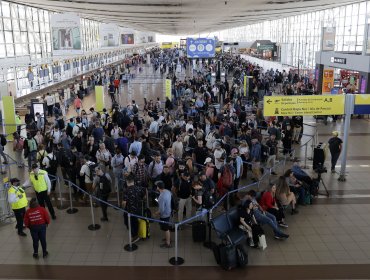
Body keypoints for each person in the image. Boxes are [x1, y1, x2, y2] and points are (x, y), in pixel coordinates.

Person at [123, 174, 145, 243]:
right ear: (133, 181)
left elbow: (124, 203)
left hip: (129, 211)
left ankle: (135, 236)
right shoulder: (139, 188)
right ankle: (137, 234)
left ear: (127, 182)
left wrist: (123, 208)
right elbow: (144, 197)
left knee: (129, 223)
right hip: (138, 209)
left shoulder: (126, 191)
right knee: (135, 222)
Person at [155, 181, 172, 248]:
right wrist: (158, 199)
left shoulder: (161, 196)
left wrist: (156, 213)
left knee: (166, 228)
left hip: (164, 214)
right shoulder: (167, 191)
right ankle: (168, 238)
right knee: (166, 227)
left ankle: (168, 243)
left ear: (158, 187)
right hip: (169, 211)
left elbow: (161, 209)